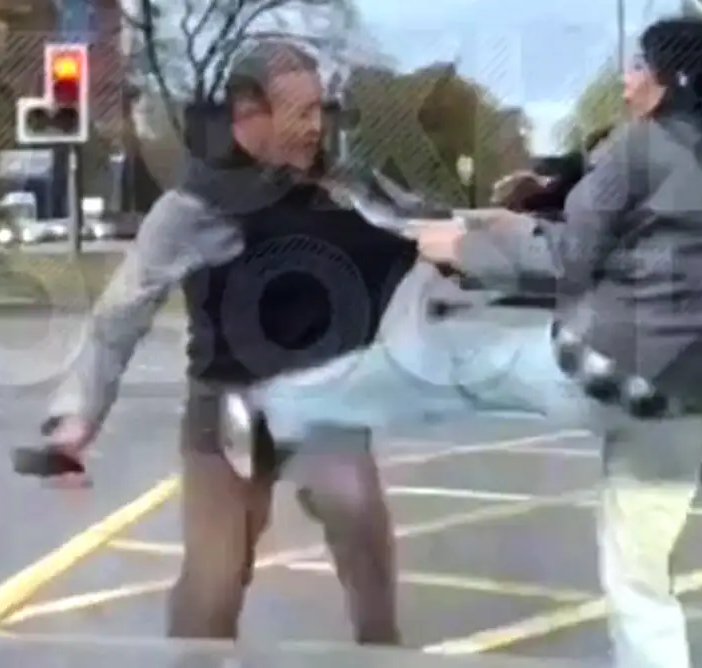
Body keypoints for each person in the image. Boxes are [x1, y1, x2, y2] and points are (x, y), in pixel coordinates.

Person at [246, 17, 702, 668]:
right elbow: (653, 246)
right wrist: (507, 225)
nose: (626, 81)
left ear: (675, 79)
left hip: (621, 367)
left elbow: (569, 258)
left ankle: (280, 408)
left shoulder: (647, 147)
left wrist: (466, 248)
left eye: (639, 66)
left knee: (457, 367)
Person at [44, 39, 468, 644]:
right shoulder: (194, 207)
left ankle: (381, 651)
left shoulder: (339, 189)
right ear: (249, 113)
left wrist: (484, 248)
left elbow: (418, 235)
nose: (316, 127)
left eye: (320, 110)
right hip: (228, 409)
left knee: (362, 533)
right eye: (301, 112)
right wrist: (76, 419)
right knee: (213, 583)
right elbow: (120, 314)